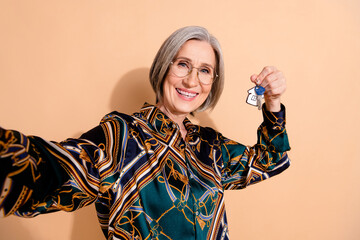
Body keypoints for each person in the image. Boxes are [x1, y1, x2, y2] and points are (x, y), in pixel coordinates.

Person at [0, 26, 290, 240]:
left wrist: (272, 102)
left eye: (205, 71)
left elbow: (271, 161)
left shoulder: (211, 148)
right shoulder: (121, 136)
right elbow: (57, 165)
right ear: (165, 68)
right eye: (183, 65)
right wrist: (10, 153)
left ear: (213, 83)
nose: (191, 80)